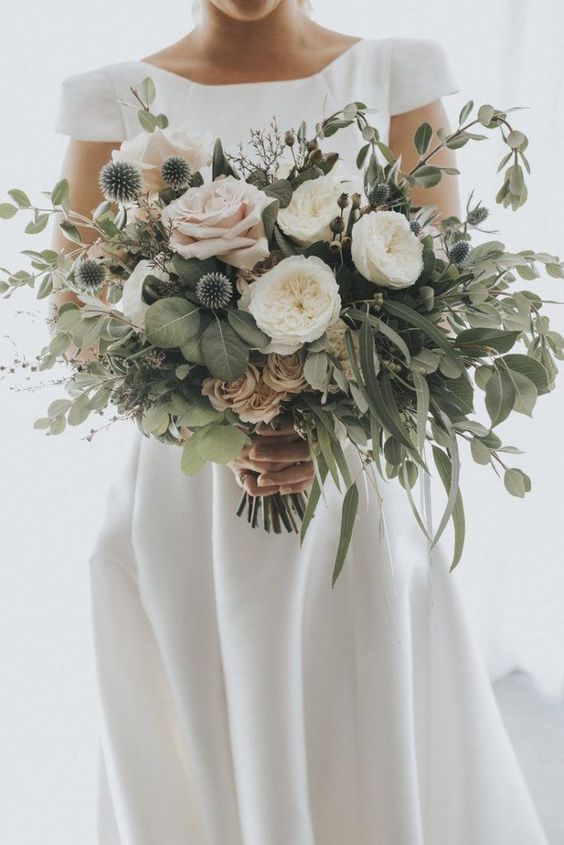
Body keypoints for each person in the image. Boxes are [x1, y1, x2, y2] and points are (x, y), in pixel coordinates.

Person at [52, 1, 549, 842]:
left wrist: (316, 424)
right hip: (183, 505)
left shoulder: (395, 77)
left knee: (354, 735)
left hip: (344, 500)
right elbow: (79, 324)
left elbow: (442, 305)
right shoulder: (112, 100)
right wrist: (228, 415)